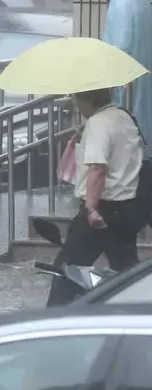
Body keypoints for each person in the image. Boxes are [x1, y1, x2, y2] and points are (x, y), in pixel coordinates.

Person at [49, 87, 144, 305]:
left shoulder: (99, 123)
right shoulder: (125, 116)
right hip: (125, 208)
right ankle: (140, 314)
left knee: (66, 271)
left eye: (75, 99)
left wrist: (91, 209)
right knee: (129, 275)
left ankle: (52, 324)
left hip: (101, 209)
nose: (75, 104)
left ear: (88, 99)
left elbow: (98, 169)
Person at [96, 0, 152, 150]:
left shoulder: (121, 3)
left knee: (128, 126)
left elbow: (120, 45)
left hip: (126, 82)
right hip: (142, 74)